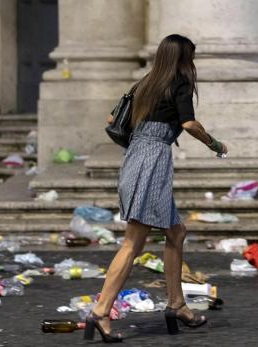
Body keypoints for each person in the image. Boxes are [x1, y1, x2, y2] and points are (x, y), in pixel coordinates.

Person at [84, 34, 228, 343]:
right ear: (182, 58)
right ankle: (100, 311)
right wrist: (215, 144)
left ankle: (176, 304)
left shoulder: (146, 82)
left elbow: (112, 117)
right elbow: (189, 124)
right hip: (151, 162)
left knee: (176, 233)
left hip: (136, 156)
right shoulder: (179, 81)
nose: (194, 62)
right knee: (132, 243)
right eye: (192, 55)